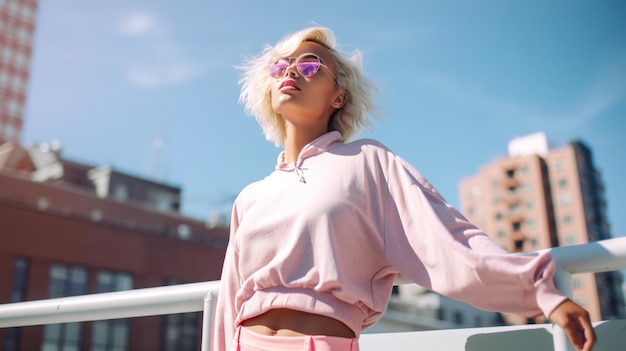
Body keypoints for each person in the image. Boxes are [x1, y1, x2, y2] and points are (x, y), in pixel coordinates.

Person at [213, 26, 596, 351]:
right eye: (281, 65)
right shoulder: (252, 197)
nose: (292, 71)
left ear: (338, 96)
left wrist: (541, 293)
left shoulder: (368, 162)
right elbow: (229, 305)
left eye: (310, 65)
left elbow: (447, 241)